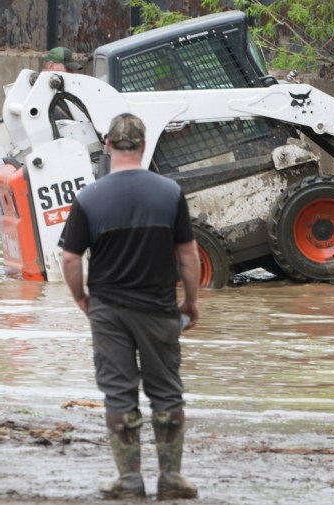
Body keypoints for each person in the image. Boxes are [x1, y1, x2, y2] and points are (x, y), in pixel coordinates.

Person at [59, 113, 201, 500]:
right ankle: (171, 478)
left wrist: (81, 298)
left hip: (108, 309)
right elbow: (188, 253)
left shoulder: (89, 197)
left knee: (119, 394)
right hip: (158, 308)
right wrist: (191, 300)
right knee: (167, 392)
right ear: (142, 146)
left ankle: (129, 479)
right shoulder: (169, 192)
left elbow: (70, 259)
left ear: (107, 146)